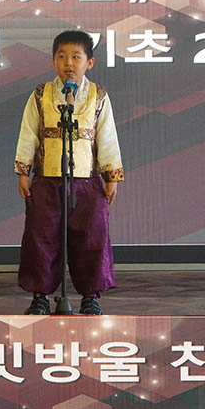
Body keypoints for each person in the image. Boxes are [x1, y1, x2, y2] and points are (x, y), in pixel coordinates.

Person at [15, 29, 124, 319]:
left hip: (87, 182)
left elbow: (107, 137)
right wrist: (23, 171)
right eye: (62, 56)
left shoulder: (98, 96)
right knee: (42, 238)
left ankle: (90, 297)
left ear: (89, 62)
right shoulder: (41, 94)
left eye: (76, 57)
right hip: (46, 180)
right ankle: (40, 297)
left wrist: (111, 176)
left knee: (91, 239)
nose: (68, 63)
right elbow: (28, 133)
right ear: (53, 61)